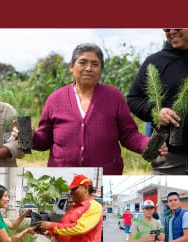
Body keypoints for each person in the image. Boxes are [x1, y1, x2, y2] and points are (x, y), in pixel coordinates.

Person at [31, 44, 151, 175]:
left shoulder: (114, 97)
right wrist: (32, 136)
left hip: (105, 175)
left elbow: (129, 134)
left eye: (95, 64)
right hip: (63, 176)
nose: (89, 68)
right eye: (82, 62)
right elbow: (44, 139)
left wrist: (147, 144)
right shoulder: (55, 99)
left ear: (101, 69)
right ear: (71, 66)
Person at [127, 29, 188, 174]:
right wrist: (156, 112)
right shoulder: (155, 61)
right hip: (168, 161)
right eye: (166, 28)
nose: (172, 31)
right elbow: (133, 99)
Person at [33, 173, 104, 242]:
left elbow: (79, 228)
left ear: (86, 188)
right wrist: (50, 232)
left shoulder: (94, 206)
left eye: (74, 189)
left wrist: (51, 226)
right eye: (71, 189)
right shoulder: (74, 208)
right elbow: (65, 228)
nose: (71, 192)